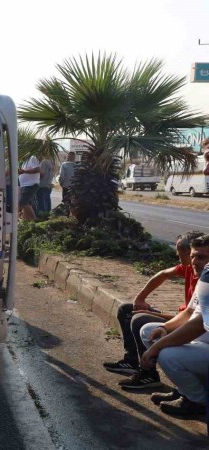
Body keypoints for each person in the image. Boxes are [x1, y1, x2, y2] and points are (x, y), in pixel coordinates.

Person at [139, 143, 209, 416]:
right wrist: (165, 330)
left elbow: (198, 325)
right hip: (204, 332)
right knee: (150, 330)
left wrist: (161, 344)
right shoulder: (203, 272)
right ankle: (187, 389)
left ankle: (197, 402)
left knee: (166, 351)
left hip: (204, 333)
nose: (205, 168)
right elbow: (194, 312)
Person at [103, 230, 206, 390]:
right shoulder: (190, 269)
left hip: (193, 328)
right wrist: (140, 298)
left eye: (199, 257)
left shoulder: (204, 278)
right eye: (193, 257)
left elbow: (195, 320)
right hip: (185, 320)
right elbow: (163, 274)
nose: (192, 261)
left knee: (139, 320)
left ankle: (148, 374)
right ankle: (132, 361)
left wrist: (152, 315)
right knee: (127, 309)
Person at [18, 155, 40, 221]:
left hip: (30, 184)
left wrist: (24, 171)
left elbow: (37, 169)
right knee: (27, 204)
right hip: (24, 185)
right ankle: (27, 221)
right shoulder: (23, 161)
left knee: (23, 203)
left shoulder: (32, 158)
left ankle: (34, 220)